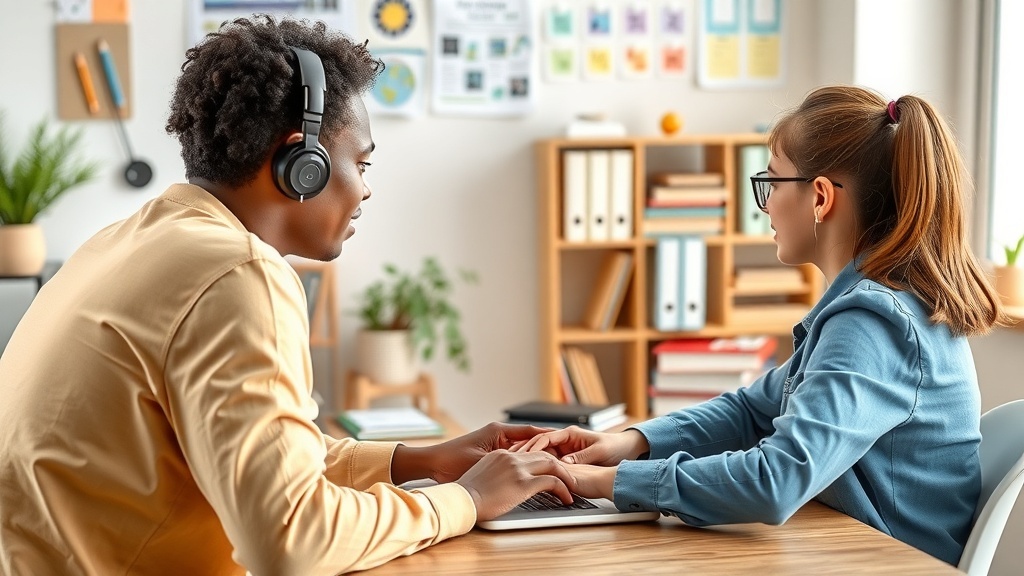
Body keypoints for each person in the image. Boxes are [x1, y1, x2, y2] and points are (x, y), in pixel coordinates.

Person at [0, 15, 573, 575]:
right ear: (304, 163)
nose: (367, 188)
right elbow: (292, 541)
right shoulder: (237, 274)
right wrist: (464, 502)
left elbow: (259, 459)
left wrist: (416, 461)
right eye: (362, 162)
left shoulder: (126, 241)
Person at [515, 85, 1006, 566]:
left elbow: (776, 480)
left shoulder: (873, 324)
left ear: (819, 198)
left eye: (772, 182)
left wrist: (604, 482)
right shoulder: (872, 307)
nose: (766, 203)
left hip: (890, 562)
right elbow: (752, 412)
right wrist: (628, 444)